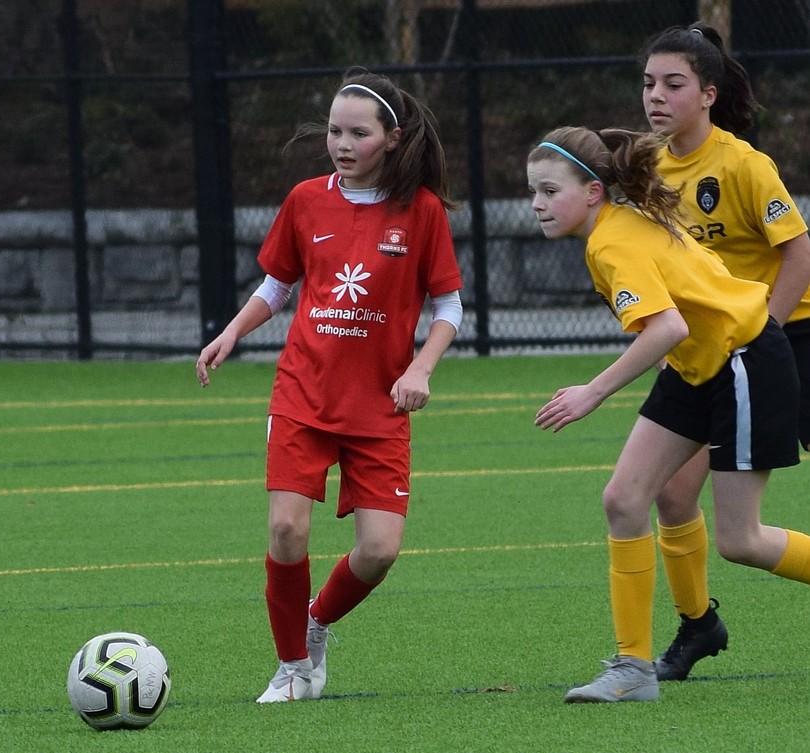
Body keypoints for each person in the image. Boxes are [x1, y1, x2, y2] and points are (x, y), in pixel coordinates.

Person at [195, 67, 463, 703]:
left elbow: (449, 304)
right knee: (287, 530)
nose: (342, 144)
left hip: (380, 405)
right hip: (303, 394)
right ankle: (291, 668)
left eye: (357, 133)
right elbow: (277, 285)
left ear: (391, 139)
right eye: (335, 131)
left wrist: (420, 367)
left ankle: (314, 624)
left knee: (379, 550)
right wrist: (233, 332)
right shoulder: (306, 200)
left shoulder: (420, 211)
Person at [526, 126, 810, 703]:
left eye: (550, 191)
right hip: (698, 366)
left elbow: (669, 327)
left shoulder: (611, 242)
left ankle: (646, 659)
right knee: (623, 499)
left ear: (592, 193)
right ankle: (633, 669)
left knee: (742, 539)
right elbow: (681, 320)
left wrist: (593, 391)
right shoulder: (615, 225)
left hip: (744, 361)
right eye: (532, 191)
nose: (536, 204)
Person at [640, 22, 810, 683]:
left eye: (673, 84)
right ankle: (697, 625)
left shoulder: (742, 164)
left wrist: (758, 332)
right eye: (648, 84)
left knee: (741, 527)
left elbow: (798, 252)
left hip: (786, 333)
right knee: (671, 493)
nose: (656, 96)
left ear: (708, 94)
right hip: (714, 346)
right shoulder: (650, 170)